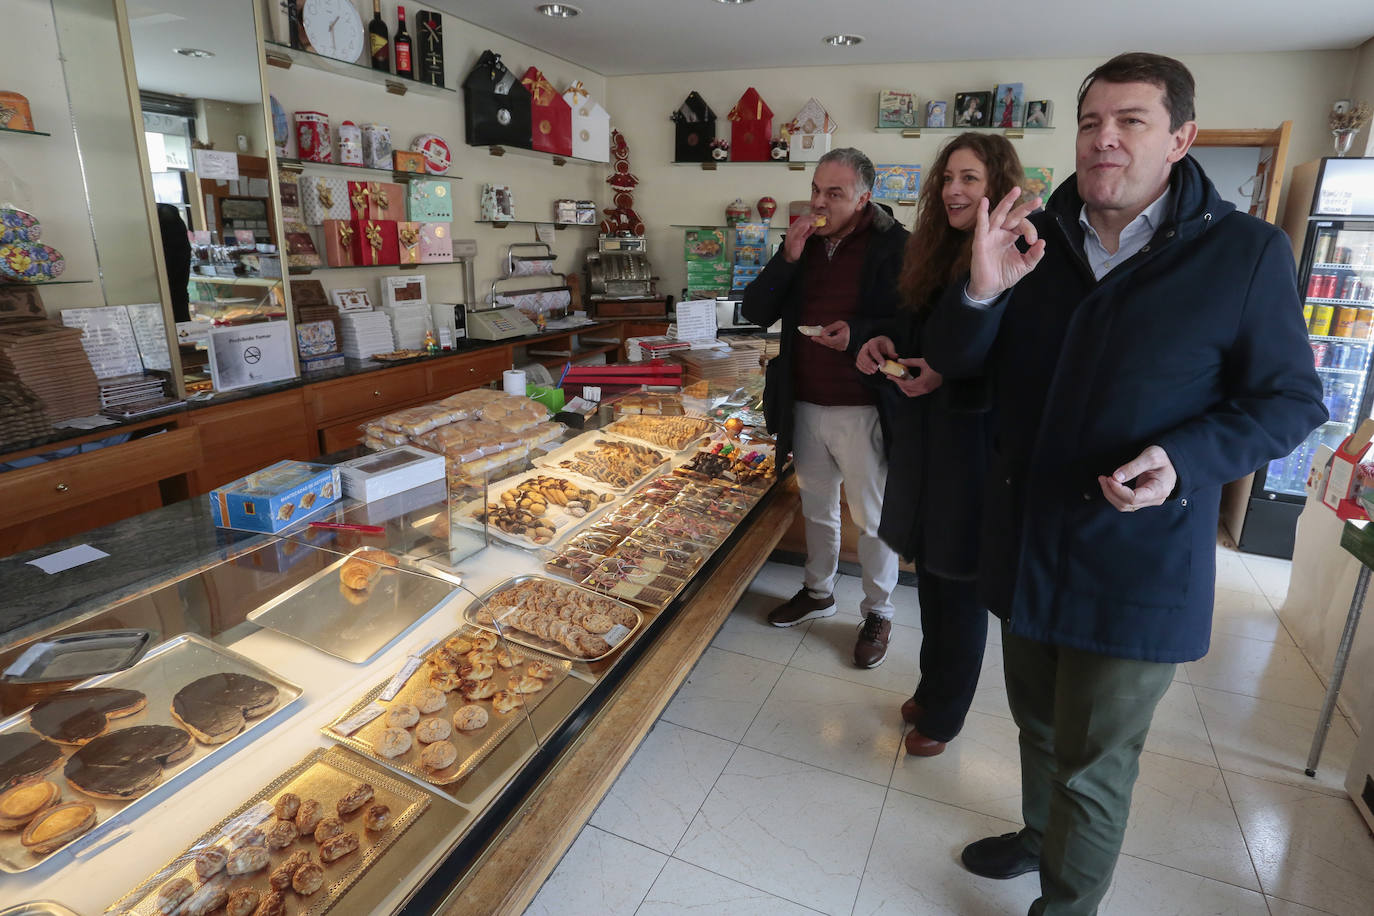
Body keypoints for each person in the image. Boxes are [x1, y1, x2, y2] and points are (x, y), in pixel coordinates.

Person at [923, 52, 1326, 915]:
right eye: (1091, 122)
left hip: (1138, 559)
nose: (1104, 140)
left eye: (1131, 121)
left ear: (1180, 138)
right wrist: (980, 292)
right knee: (1035, 726)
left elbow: (1291, 401)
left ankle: (1066, 906)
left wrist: (1185, 458)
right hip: (1029, 538)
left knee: (1095, 764)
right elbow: (957, 370)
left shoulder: (1244, 254)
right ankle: (1038, 837)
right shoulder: (1031, 235)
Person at [853, 133, 1025, 756]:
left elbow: (998, 354)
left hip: (972, 446)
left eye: (971, 179)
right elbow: (913, 327)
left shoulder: (1016, 253)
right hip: (925, 438)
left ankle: (945, 714)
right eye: (948, 177)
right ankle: (932, 688)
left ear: (999, 187)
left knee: (958, 584)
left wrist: (945, 373)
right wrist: (881, 344)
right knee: (932, 576)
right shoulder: (934, 249)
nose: (954, 189)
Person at [742, 147, 908, 668]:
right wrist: (786, 256)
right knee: (816, 508)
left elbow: (913, 323)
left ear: (864, 197)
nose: (819, 202)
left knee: (874, 517)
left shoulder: (897, 246)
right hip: (805, 402)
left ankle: (879, 611)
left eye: (833, 194)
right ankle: (819, 592)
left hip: (863, 405)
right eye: (816, 189)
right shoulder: (802, 244)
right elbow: (755, 310)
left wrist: (856, 334)